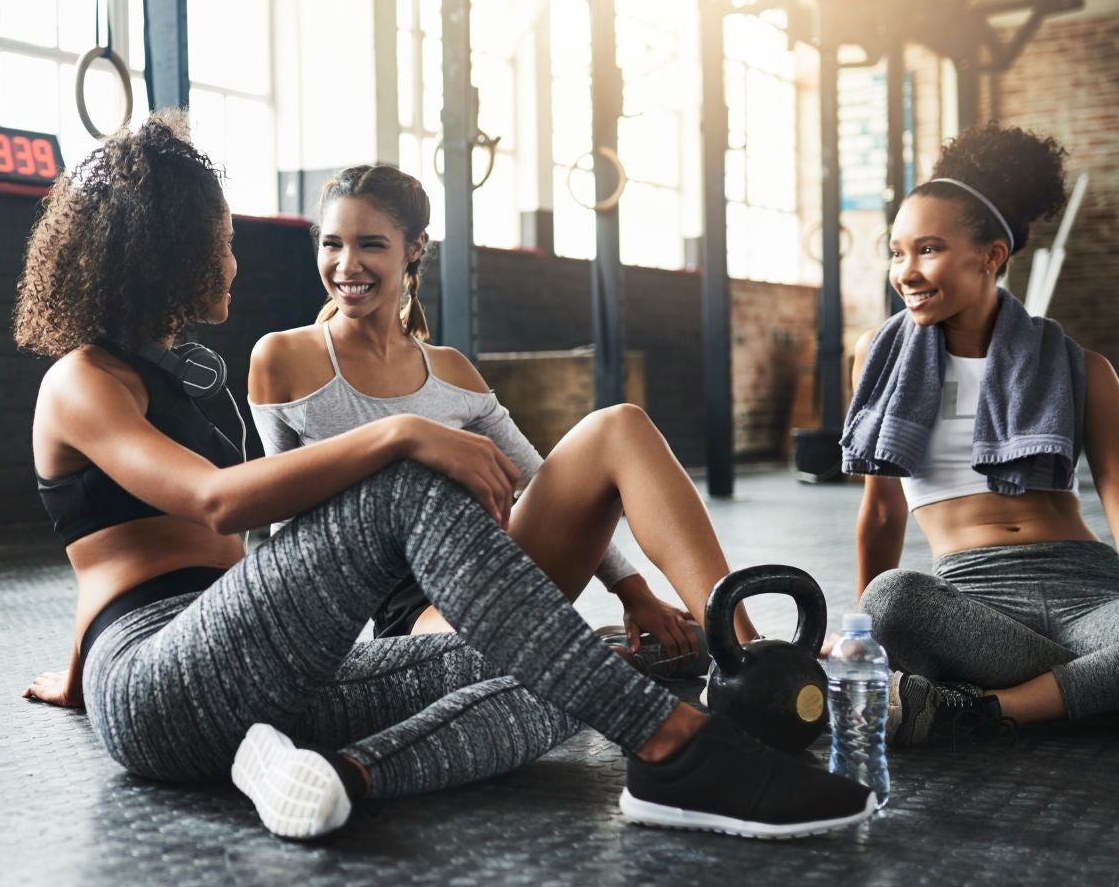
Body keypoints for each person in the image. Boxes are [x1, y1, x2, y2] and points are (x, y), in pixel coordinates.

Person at [17, 112, 869, 841]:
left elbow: (128, 548)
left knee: (555, 668)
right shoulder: (81, 381)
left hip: (256, 674)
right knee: (404, 477)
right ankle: (677, 747)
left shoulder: (176, 374)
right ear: (172, 253)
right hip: (160, 688)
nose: (234, 260)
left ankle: (334, 777)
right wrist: (401, 432)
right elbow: (211, 503)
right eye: (223, 242)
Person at [248, 164, 759, 673]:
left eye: (372, 245)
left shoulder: (452, 372)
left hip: (489, 570)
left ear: (415, 247)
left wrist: (633, 591)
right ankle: (570, 657)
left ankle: (749, 651)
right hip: (411, 613)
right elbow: (280, 516)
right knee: (489, 652)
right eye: (333, 243)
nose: (347, 264)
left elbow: (544, 483)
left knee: (619, 425)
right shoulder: (283, 359)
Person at [845, 124, 1119, 745]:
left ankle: (979, 709)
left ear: (992, 255)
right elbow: (881, 511)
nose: (906, 272)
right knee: (892, 599)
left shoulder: (1083, 368)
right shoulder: (880, 357)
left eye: (927, 249)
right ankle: (1083, 690)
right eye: (896, 252)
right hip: (976, 598)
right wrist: (861, 634)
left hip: (1092, 589)